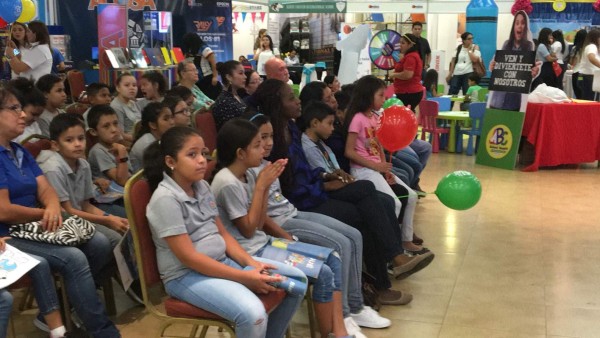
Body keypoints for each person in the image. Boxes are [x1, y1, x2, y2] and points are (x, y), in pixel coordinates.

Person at [254, 78, 431, 304]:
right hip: (302, 201)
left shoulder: (290, 129)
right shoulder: (272, 141)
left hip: (314, 188)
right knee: (363, 212)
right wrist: (325, 184)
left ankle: (391, 263)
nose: (297, 102)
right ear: (276, 104)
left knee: (381, 201)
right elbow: (289, 186)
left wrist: (324, 175)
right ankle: (386, 272)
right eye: (291, 98)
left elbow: (306, 171)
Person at [143, 126, 303, 338]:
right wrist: (242, 276)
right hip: (185, 276)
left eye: (203, 153)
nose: (202, 160)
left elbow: (224, 234)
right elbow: (189, 258)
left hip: (220, 262)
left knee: (297, 283)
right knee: (252, 314)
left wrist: (250, 263)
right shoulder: (165, 200)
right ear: (171, 162)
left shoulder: (201, 186)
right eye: (192, 155)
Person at [248, 113, 392, 335]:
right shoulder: (248, 172)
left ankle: (356, 306)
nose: (268, 143)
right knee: (340, 244)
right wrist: (286, 238)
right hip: (281, 223)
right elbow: (260, 217)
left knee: (354, 235)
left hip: (292, 212)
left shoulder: (267, 163)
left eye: (271, 137)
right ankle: (343, 315)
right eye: (261, 139)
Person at [211, 118, 351, 338]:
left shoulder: (247, 174)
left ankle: (339, 329)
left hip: (263, 242)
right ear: (240, 153)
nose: (264, 149)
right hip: (249, 252)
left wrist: (263, 187)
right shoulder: (227, 182)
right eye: (257, 145)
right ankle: (331, 334)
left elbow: (257, 224)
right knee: (323, 273)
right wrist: (261, 187)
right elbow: (248, 231)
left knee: (333, 257)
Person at [0, 88, 121, 338]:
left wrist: (52, 207)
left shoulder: (18, 151)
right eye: (14, 109)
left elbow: (46, 189)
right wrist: (42, 213)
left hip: (35, 224)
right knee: (74, 258)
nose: (22, 115)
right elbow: (4, 211)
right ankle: (102, 331)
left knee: (99, 243)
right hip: (8, 234)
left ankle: (61, 310)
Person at [343, 75, 425, 253]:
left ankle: (406, 240)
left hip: (377, 168)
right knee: (394, 203)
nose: (384, 99)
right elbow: (349, 151)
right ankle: (391, 250)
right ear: (368, 95)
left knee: (411, 196)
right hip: (363, 171)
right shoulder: (357, 119)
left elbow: (378, 145)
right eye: (380, 95)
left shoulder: (374, 117)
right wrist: (377, 167)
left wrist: (385, 169)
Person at [37, 113, 127, 249]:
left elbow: (86, 205)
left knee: (124, 227)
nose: (78, 144)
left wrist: (110, 217)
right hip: (63, 220)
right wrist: (108, 220)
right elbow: (66, 211)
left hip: (79, 216)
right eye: (69, 140)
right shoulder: (52, 169)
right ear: (55, 145)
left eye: (81, 138)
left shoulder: (83, 164)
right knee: (114, 238)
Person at [488, 10, 536, 111]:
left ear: (526, 27)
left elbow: (530, 70)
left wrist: (535, 71)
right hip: (497, 98)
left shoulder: (529, 45)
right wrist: (493, 65)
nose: (519, 26)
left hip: (514, 100)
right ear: (513, 26)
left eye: (523, 23)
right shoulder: (506, 44)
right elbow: (495, 62)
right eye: (517, 23)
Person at [87, 105, 132, 189]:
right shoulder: (98, 151)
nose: (114, 129)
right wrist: (122, 154)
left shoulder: (117, 145)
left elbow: (130, 174)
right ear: (93, 132)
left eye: (115, 123)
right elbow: (123, 181)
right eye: (106, 126)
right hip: (111, 198)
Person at [130, 102, 175, 172]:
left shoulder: (162, 138)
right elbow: (163, 170)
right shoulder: (147, 144)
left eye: (172, 117)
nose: (172, 122)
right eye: (166, 119)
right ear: (153, 125)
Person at [181, 33, 221, 100]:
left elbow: (213, 62)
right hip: (197, 79)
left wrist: (215, 76)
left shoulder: (204, 48)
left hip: (207, 77)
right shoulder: (189, 49)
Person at [390, 33, 424, 111]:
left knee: (403, 114)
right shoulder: (410, 56)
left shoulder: (411, 57)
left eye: (403, 43)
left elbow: (408, 75)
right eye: (400, 42)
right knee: (408, 113)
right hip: (409, 91)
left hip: (408, 92)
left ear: (410, 45)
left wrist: (393, 75)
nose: (400, 45)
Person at [7, 77, 46, 143]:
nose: (36, 118)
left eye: (38, 115)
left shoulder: (34, 125)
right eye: (33, 114)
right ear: (19, 107)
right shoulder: (10, 128)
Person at [212, 61, 248, 130]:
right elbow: (231, 133)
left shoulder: (235, 96)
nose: (245, 77)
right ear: (229, 77)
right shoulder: (224, 102)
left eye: (244, 73)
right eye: (241, 73)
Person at [446, 32, 481, 98]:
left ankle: (465, 107)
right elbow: (453, 61)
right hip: (457, 73)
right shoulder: (459, 48)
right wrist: (450, 74)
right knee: (452, 93)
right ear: (464, 40)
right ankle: (449, 107)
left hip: (468, 73)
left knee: (466, 93)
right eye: (469, 39)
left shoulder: (475, 47)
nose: (471, 40)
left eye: (472, 38)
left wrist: (469, 50)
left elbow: (475, 60)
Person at [110, 73, 141, 143]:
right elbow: (120, 134)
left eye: (134, 85)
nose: (132, 88)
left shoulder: (133, 103)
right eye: (127, 85)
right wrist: (139, 138)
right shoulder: (116, 106)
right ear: (118, 88)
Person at [577, 29, 600, 101]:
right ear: (596, 38)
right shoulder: (592, 46)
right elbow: (591, 58)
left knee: (586, 99)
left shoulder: (589, 46)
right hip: (588, 78)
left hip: (583, 77)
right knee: (590, 100)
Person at [569, 29, 588, 99]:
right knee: (585, 93)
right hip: (586, 73)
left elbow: (572, 63)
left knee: (578, 93)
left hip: (577, 73)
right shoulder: (589, 48)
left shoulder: (575, 49)